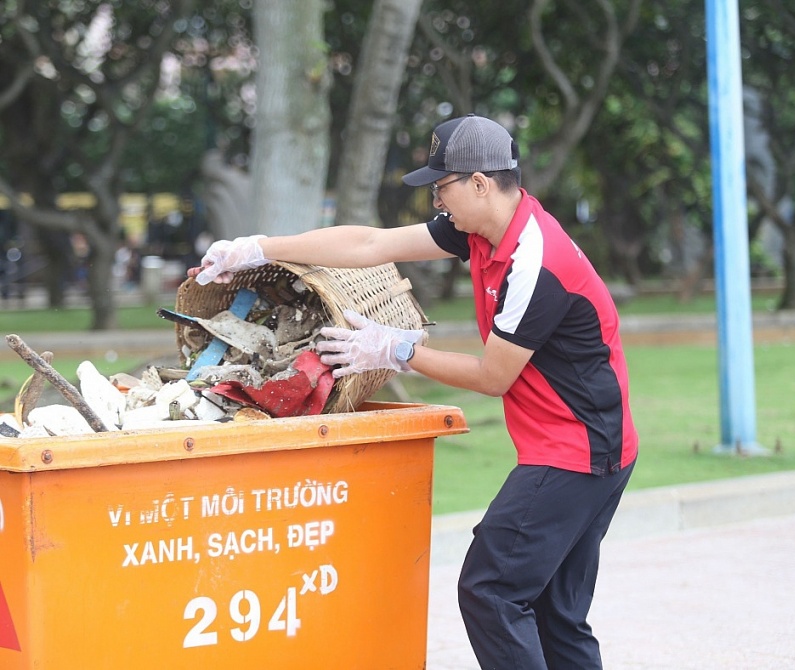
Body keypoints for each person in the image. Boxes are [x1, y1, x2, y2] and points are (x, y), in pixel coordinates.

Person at [188, 114, 638, 670]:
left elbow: (493, 377)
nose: (436, 202)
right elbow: (372, 243)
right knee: (554, 614)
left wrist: (398, 350)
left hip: (579, 449)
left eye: (441, 187)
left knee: (490, 590)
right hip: (598, 446)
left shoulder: (536, 263)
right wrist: (257, 247)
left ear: (479, 183)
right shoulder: (485, 229)